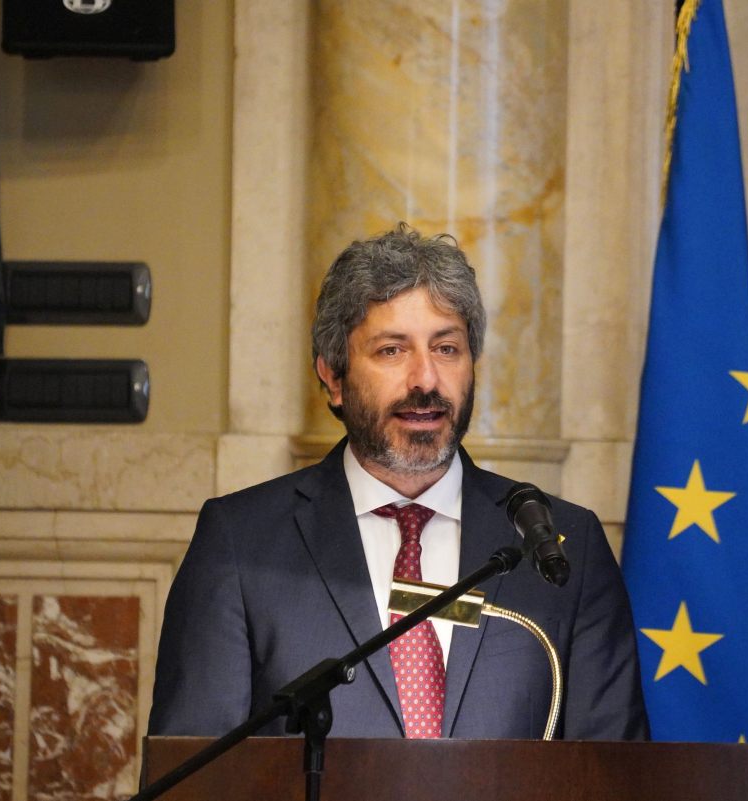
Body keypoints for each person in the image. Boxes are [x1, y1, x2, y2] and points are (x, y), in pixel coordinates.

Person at [148, 224, 648, 740]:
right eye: (392, 350)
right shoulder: (240, 542)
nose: (425, 379)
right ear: (333, 377)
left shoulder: (563, 545)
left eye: (447, 349)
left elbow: (612, 770)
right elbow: (191, 769)